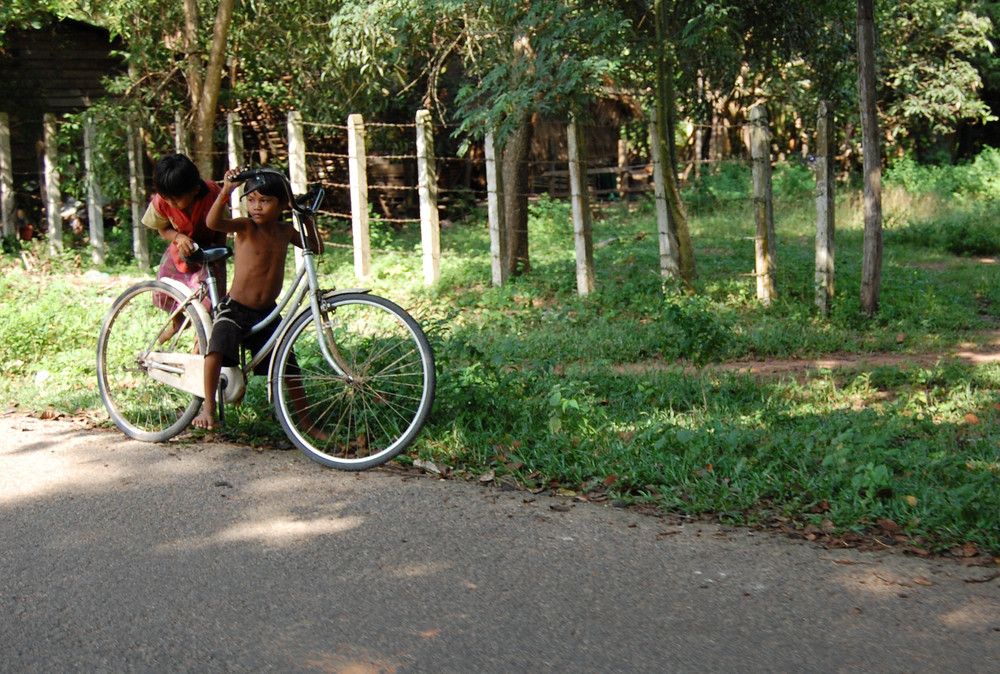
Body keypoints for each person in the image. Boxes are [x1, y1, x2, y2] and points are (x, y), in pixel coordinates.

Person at [192, 168, 320, 431]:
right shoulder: (245, 226)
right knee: (216, 349)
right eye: (251, 200)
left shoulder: (285, 232)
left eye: (265, 200)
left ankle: (307, 425)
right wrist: (226, 190)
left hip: (267, 312)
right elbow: (212, 223)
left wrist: (307, 218)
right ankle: (208, 407)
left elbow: (316, 247)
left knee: (289, 365)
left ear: (283, 204)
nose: (256, 207)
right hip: (236, 308)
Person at [141, 154, 227, 337]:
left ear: (195, 190)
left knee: (209, 305)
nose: (171, 203)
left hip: (209, 254)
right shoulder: (162, 201)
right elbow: (162, 228)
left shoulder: (213, 194)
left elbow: (223, 223)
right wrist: (179, 237)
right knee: (167, 291)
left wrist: (219, 249)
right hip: (179, 254)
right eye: (167, 198)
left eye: (177, 199)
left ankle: (201, 348)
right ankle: (178, 322)